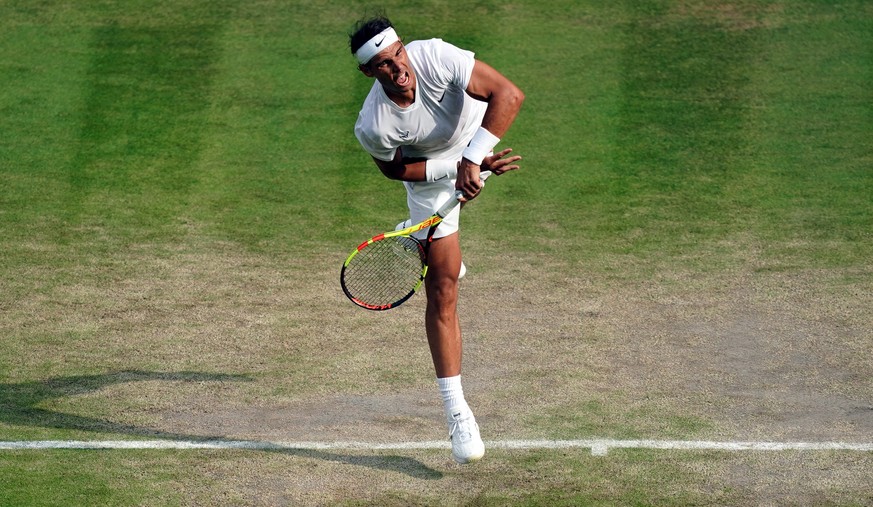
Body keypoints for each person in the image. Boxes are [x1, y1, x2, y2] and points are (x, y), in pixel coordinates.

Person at [349, 16, 524, 464]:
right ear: (369, 73)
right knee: (443, 287)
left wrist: (474, 157)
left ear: (405, 47)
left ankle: (438, 247)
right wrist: (461, 169)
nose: (398, 69)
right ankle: (457, 410)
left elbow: (509, 95)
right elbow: (394, 170)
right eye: (383, 66)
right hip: (430, 172)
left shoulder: (434, 56)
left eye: (398, 55)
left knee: (451, 244)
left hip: (473, 135)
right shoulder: (374, 124)